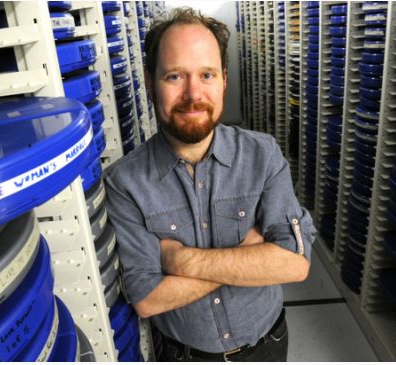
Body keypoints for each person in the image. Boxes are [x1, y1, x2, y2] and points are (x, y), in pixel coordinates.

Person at [105, 7, 315, 362]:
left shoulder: (263, 155)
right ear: (149, 81)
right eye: (174, 76)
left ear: (224, 81)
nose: (192, 94)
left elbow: (295, 264)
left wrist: (178, 260)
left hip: (266, 346)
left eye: (206, 74)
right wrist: (249, 258)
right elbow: (147, 299)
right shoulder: (124, 182)